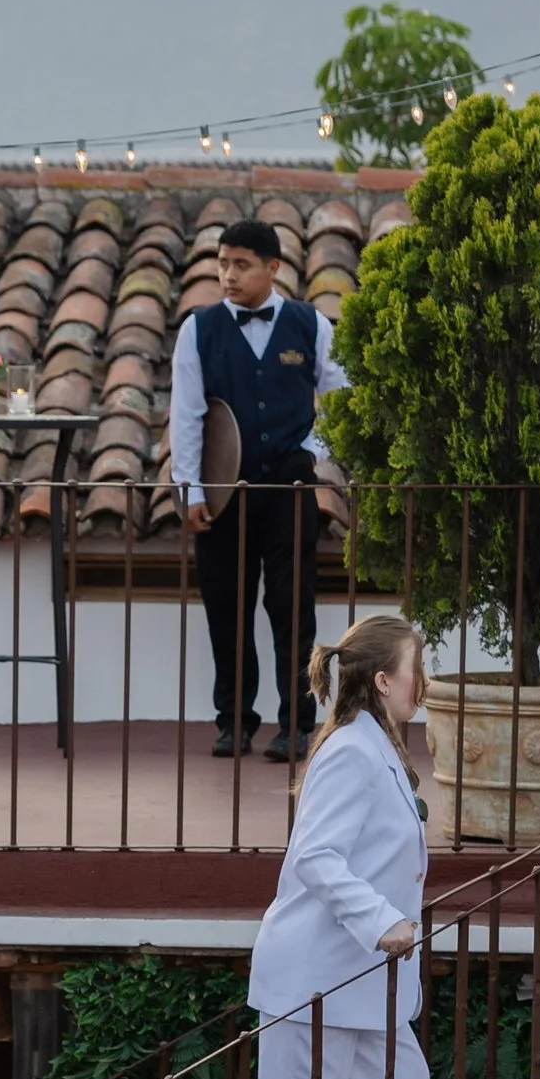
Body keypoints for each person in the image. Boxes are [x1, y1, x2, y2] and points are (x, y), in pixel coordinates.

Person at [220, 615, 434, 1079]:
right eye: (416, 669)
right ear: (382, 680)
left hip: (358, 983)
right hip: (318, 975)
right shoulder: (349, 752)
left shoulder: (378, 749)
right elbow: (315, 856)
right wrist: (381, 921)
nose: (424, 683)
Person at [171, 216, 349, 764]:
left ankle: (297, 724)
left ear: (273, 268)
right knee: (227, 608)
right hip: (223, 493)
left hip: (291, 488)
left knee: (292, 607)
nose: (228, 275)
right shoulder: (197, 329)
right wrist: (190, 491)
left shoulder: (310, 324)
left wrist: (314, 453)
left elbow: (341, 398)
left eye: (241, 265)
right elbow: (186, 416)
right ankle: (233, 721)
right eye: (223, 264)